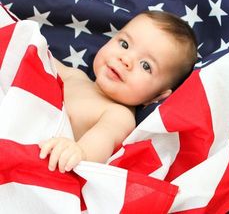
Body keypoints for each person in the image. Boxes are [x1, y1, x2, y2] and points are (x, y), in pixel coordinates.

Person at [39, 10, 198, 173]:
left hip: (44, 153)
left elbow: (103, 139)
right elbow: (37, 56)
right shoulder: (75, 76)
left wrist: (79, 151)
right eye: (124, 44)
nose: (126, 59)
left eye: (146, 65)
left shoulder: (119, 115)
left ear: (157, 96)